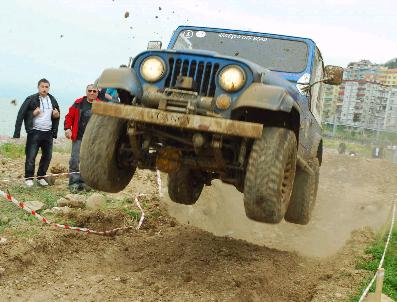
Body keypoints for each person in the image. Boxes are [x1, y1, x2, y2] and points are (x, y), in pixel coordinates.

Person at [13, 78, 60, 187]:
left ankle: (41, 177)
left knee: (47, 156)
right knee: (31, 156)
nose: (44, 89)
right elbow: (21, 114)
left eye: (46, 87)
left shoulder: (52, 100)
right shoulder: (31, 99)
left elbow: (56, 115)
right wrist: (17, 133)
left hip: (48, 133)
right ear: (38, 87)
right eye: (42, 86)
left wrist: (56, 116)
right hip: (34, 132)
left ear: (49, 88)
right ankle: (28, 178)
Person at [64, 84, 101, 192]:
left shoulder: (101, 105)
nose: (92, 93)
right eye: (90, 91)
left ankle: (87, 183)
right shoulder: (78, 103)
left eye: (94, 91)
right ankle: (74, 183)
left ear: (97, 93)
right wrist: (67, 128)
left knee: (90, 162)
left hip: (93, 140)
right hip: (78, 137)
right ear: (86, 91)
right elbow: (69, 117)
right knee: (75, 161)